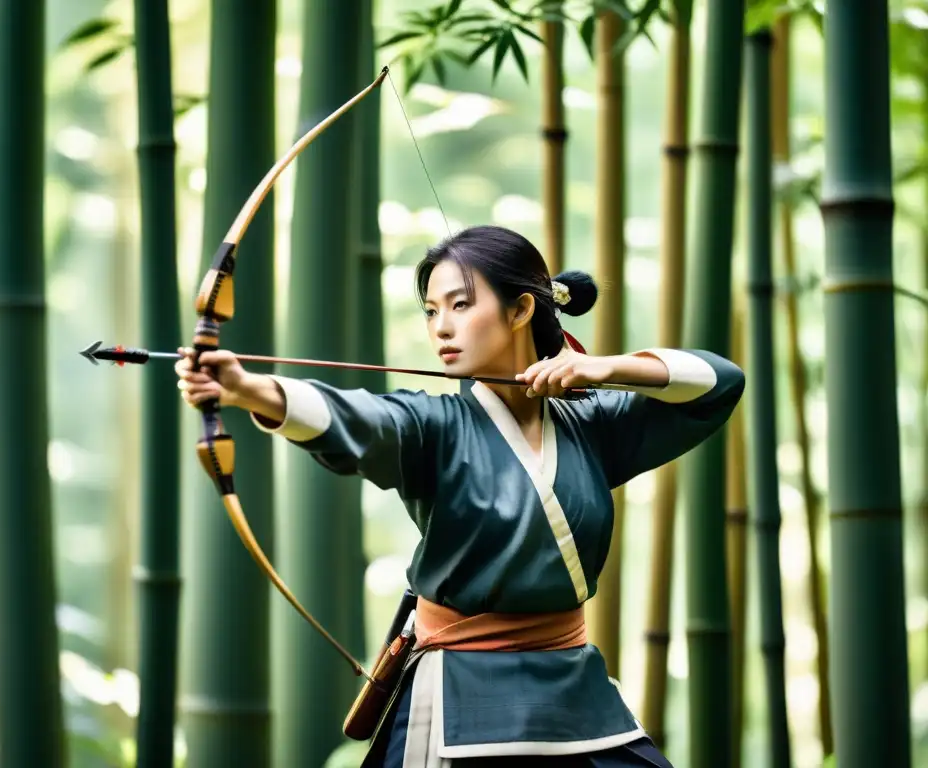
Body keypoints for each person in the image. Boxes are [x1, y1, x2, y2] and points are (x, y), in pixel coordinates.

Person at [175, 225, 744, 767]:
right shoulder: (434, 426)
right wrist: (249, 388)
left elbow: (721, 382)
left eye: (461, 304)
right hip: (458, 693)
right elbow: (361, 417)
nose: (441, 327)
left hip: (572, 684)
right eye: (431, 310)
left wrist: (607, 367)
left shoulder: (591, 425)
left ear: (522, 309)